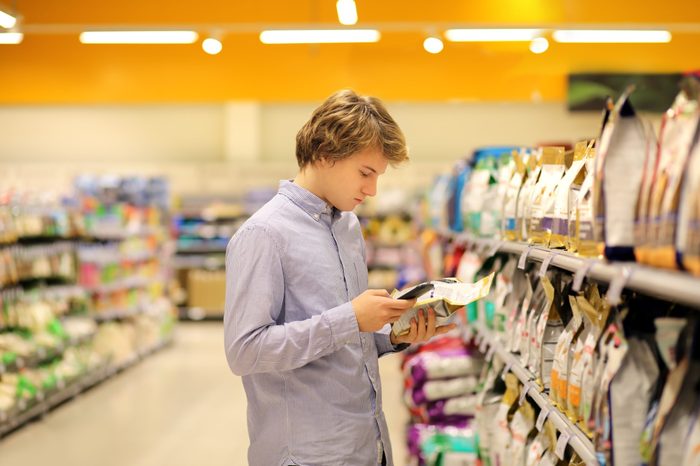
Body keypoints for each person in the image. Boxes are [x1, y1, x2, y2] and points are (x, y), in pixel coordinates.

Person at [224, 89, 456, 466]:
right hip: (308, 455)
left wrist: (394, 332)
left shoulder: (347, 226)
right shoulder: (264, 235)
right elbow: (244, 352)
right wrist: (351, 317)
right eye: (365, 173)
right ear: (325, 154)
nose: (372, 190)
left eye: (378, 176)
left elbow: (347, 337)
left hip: (367, 444)